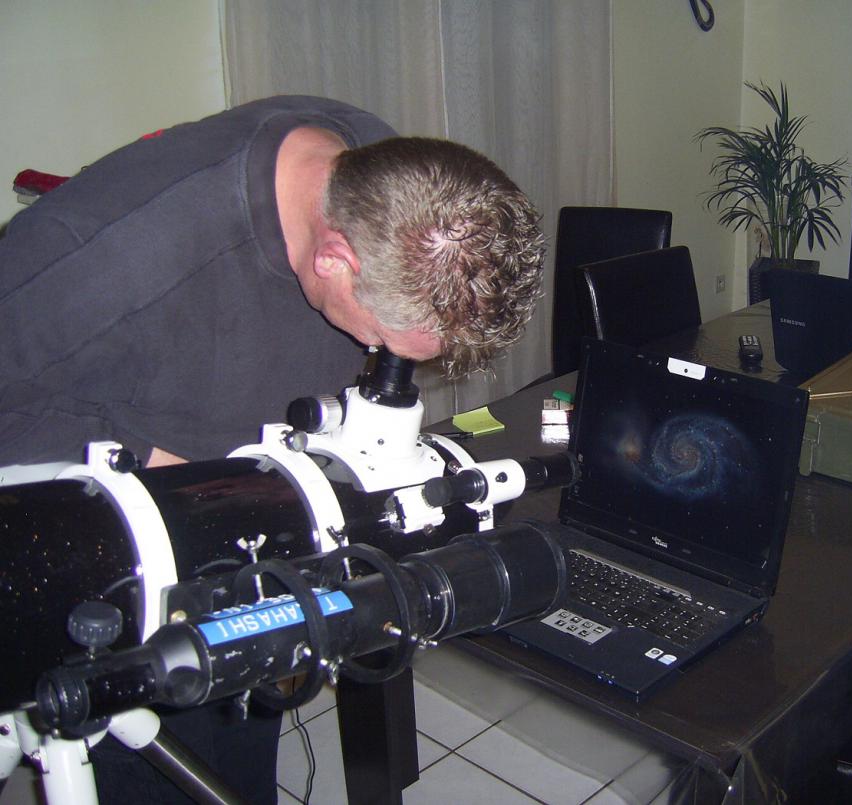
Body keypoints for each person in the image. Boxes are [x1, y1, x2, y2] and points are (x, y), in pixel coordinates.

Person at [0, 96, 545, 802]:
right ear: (334, 258)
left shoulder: (385, 175)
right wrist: (161, 467)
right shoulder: (109, 257)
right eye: (381, 340)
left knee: (240, 756)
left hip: (249, 546)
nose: (382, 358)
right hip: (124, 545)